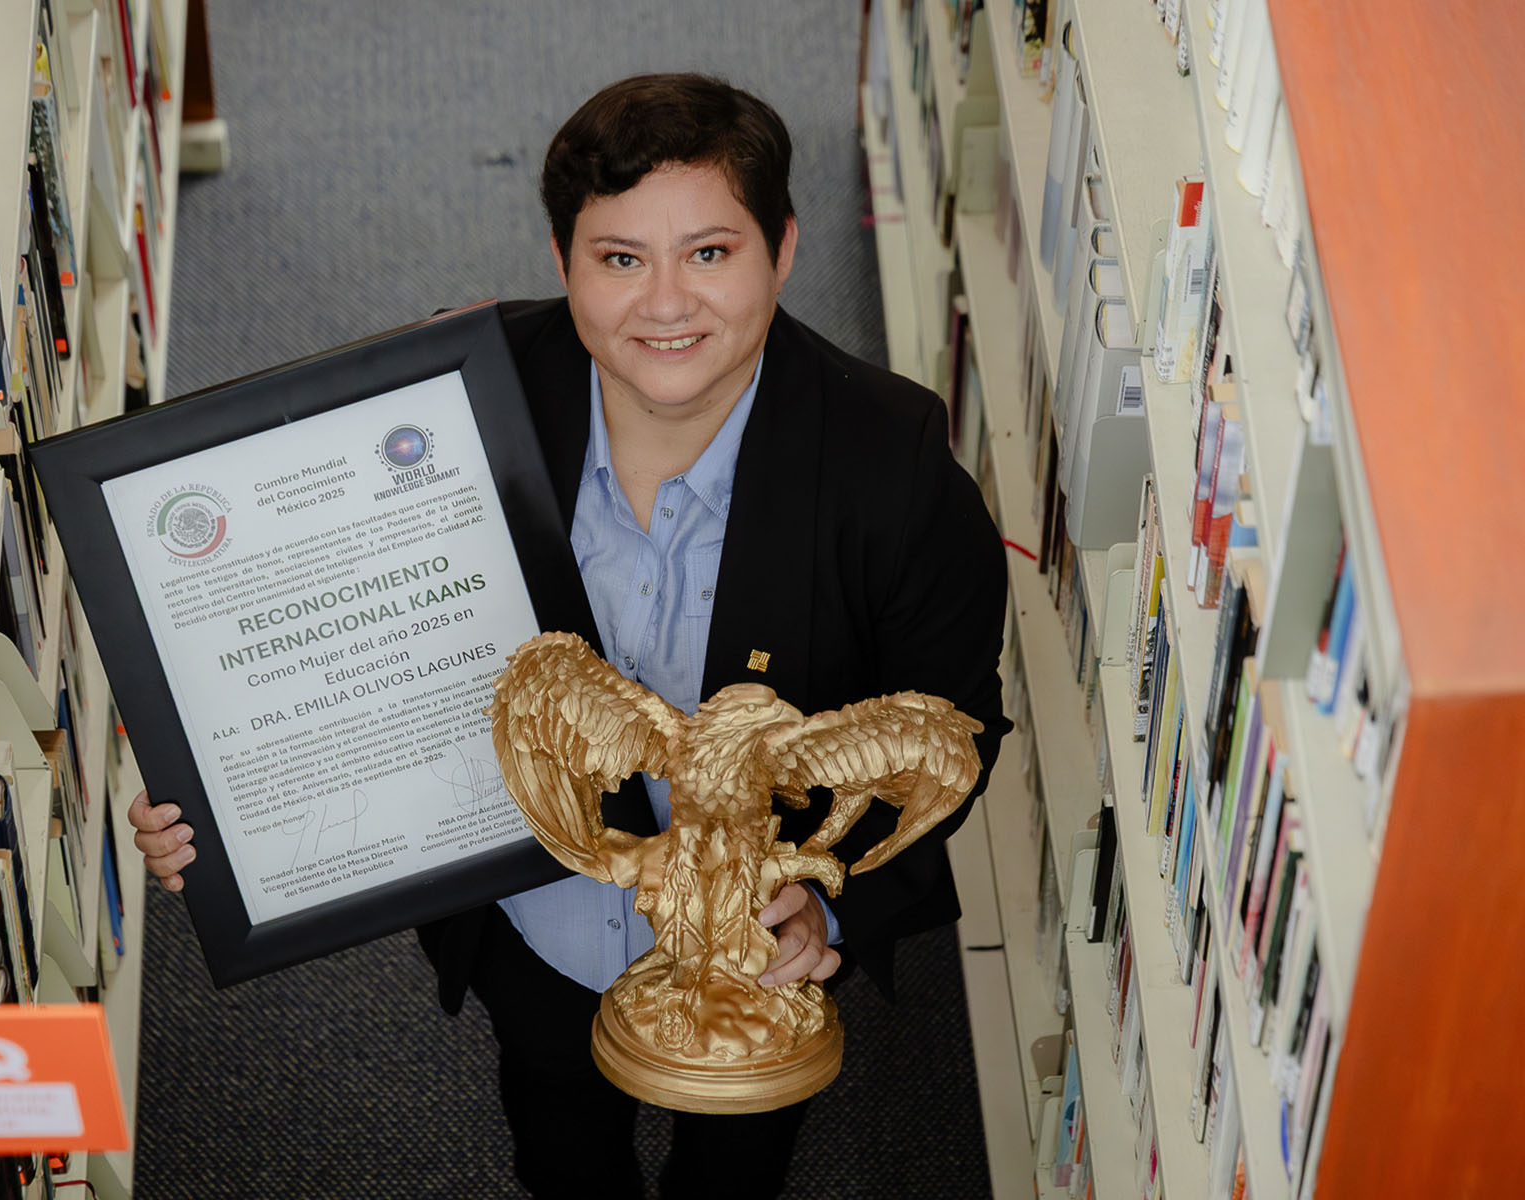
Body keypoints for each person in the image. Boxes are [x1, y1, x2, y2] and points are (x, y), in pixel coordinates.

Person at [129, 73, 1011, 1198]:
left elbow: (953, 723)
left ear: (783, 251)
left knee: (735, 1172)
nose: (666, 305)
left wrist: (831, 905)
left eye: (709, 253)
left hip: (752, 966)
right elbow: (321, 628)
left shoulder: (893, 465)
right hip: (531, 925)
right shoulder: (447, 406)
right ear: (561, 260)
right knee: (556, 1135)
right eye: (620, 259)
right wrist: (217, 810)